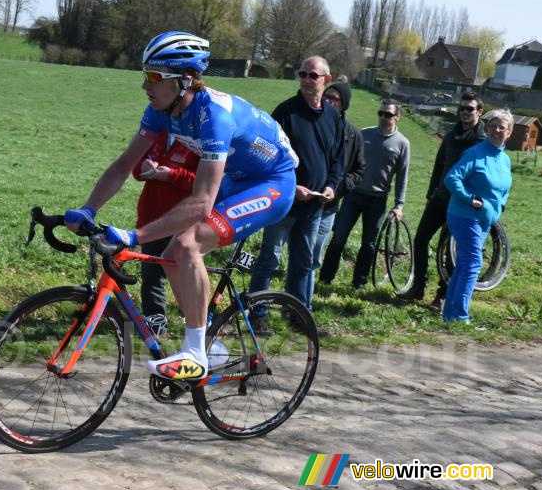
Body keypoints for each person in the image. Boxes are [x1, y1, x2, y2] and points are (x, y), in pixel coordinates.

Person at [64, 31, 298, 380]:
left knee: (187, 243)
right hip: (238, 178)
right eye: (146, 75)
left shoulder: (214, 117)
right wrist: (89, 209)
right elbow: (126, 163)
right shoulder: (161, 110)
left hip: (272, 183)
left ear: (185, 80)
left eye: (155, 77)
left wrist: (134, 235)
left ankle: (195, 353)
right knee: (174, 252)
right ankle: (208, 345)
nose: (146, 86)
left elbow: (202, 203)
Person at [248, 56, 344, 326]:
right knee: (269, 260)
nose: (306, 79)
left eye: (312, 75)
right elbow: (267, 155)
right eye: (302, 74)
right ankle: (258, 315)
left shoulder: (333, 116)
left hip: (314, 207)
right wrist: (292, 186)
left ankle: (297, 317)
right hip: (284, 203)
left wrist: (331, 186)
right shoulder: (285, 113)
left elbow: (338, 158)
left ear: (327, 79)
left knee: (303, 264)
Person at [402, 92, 486, 309]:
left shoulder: (481, 141)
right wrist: (431, 193)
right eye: (462, 109)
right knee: (420, 239)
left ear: (479, 112)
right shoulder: (451, 135)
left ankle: (441, 296)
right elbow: (439, 166)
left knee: (447, 250)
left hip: (461, 203)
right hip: (440, 198)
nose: (465, 112)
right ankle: (418, 287)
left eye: (470, 109)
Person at [319, 99, 410, 290]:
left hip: (377, 200)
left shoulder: (402, 143)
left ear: (397, 118)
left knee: (369, 244)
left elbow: (403, 176)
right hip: (354, 195)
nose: (383, 117)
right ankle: (325, 278)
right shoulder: (364, 134)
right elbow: (347, 162)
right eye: (381, 113)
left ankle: (359, 283)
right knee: (338, 238)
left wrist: (399, 205)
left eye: (388, 114)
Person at [442, 109, 513, 323]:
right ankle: (460, 317)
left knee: (464, 265)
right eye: (492, 126)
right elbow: (452, 178)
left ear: (509, 132)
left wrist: (500, 205)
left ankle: (450, 315)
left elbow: (505, 187)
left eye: (502, 127)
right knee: (473, 263)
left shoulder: (505, 159)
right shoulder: (475, 153)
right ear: (487, 128)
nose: (496, 131)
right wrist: (470, 199)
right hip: (465, 216)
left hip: (484, 220)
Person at [131, 130, 199, 335]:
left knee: (185, 276)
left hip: (182, 220)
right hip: (151, 219)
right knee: (151, 275)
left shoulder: (199, 139)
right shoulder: (157, 134)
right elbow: (135, 170)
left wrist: (170, 174)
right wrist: (142, 167)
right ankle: (155, 327)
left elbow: (204, 183)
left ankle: (198, 326)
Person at [311, 82, 364, 299]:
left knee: (315, 252)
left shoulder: (353, 135)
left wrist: (338, 188)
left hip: (329, 206)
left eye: (335, 99)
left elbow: (359, 170)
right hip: (304, 199)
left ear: (344, 105)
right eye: (327, 97)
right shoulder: (312, 124)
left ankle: (304, 296)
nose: (330, 102)